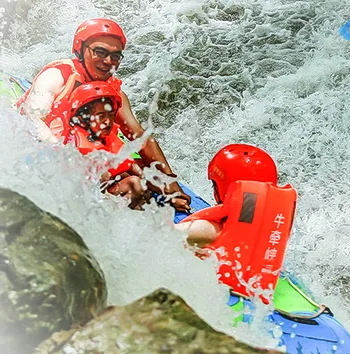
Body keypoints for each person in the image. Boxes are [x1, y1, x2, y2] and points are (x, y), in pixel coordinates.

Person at [16, 18, 190, 212]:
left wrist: (171, 187)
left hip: (87, 152)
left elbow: (139, 136)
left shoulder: (114, 93)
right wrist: (64, 159)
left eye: (115, 56)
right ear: (81, 49)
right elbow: (32, 118)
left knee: (141, 173)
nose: (108, 61)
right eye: (100, 52)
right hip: (51, 151)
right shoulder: (58, 76)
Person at [175, 144, 298, 302]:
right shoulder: (275, 222)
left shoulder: (209, 229)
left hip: (221, 299)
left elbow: (155, 236)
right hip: (254, 295)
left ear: (222, 188)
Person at [65, 81, 151, 209]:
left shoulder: (109, 137)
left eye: (111, 114)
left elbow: (133, 166)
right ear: (83, 118)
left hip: (112, 188)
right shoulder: (73, 144)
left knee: (139, 184)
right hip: (89, 198)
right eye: (100, 116)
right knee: (134, 184)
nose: (108, 121)